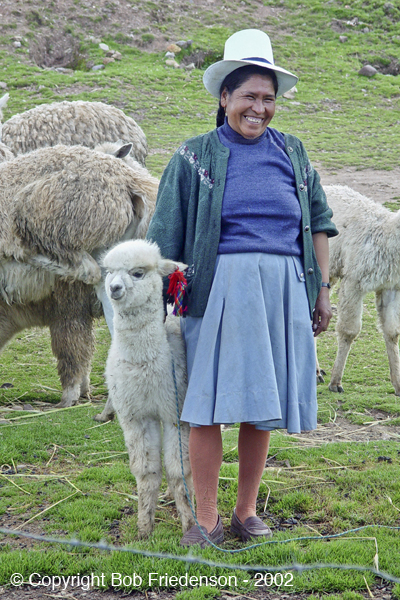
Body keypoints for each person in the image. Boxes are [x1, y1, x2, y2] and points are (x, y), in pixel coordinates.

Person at [146, 29, 338, 547]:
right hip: (218, 287)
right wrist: (159, 301)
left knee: (262, 403)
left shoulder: (293, 153)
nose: (259, 108)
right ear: (224, 97)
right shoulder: (194, 156)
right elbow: (162, 233)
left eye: (268, 99)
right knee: (207, 404)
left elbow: (318, 222)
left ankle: (245, 512)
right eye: (249, 96)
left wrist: (320, 291)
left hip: (282, 289)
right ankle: (204, 521)